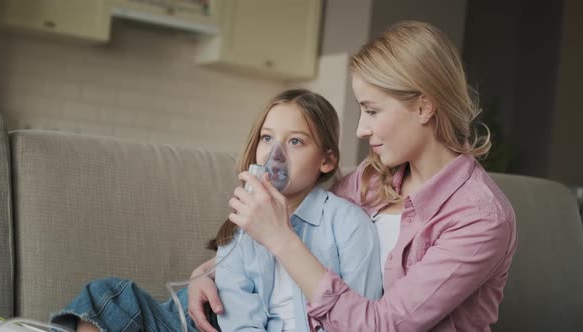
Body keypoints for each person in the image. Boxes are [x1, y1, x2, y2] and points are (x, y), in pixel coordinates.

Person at [189, 21, 518, 332]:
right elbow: (312, 228)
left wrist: (279, 238)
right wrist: (207, 274)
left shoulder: (480, 218)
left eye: (372, 110)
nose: (361, 129)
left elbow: (383, 326)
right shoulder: (372, 178)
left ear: (423, 108)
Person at [49, 89, 383, 332]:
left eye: (296, 142)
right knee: (106, 297)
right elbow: (239, 313)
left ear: (327, 159)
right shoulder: (245, 219)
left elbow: (358, 315)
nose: (275, 154)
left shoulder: (348, 225)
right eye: (267, 139)